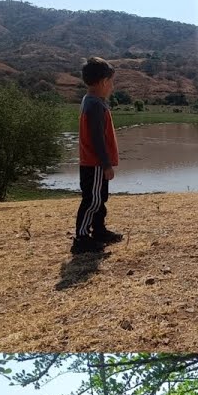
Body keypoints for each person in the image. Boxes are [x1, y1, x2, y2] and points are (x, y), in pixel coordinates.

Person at [71, 56, 122, 255]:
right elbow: (97, 139)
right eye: (111, 82)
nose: (112, 87)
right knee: (92, 200)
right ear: (102, 82)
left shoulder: (91, 101)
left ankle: (99, 231)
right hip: (95, 163)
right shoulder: (95, 105)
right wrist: (106, 164)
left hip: (94, 163)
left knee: (99, 198)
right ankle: (81, 238)